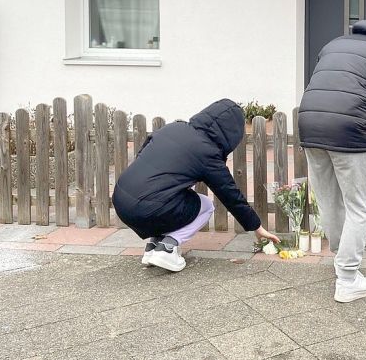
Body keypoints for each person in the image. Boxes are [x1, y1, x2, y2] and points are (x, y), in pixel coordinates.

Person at [297, 17, 366, 303]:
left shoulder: (335, 43)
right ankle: (347, 278)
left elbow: (320, 84)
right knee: (360, 205)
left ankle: (341, 259)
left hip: (309, 123)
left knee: (329, 199)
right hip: (350, 130)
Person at [112, 99, 280, 272]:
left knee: (168, 194)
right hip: (148, 208)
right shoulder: (207, 152)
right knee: (206, 206)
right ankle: (168, 249)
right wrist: (256, 227)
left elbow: (143, 154)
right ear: (231, 134)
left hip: (120, 199)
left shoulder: (173, 128)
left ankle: (153, 247)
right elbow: (230, 195)